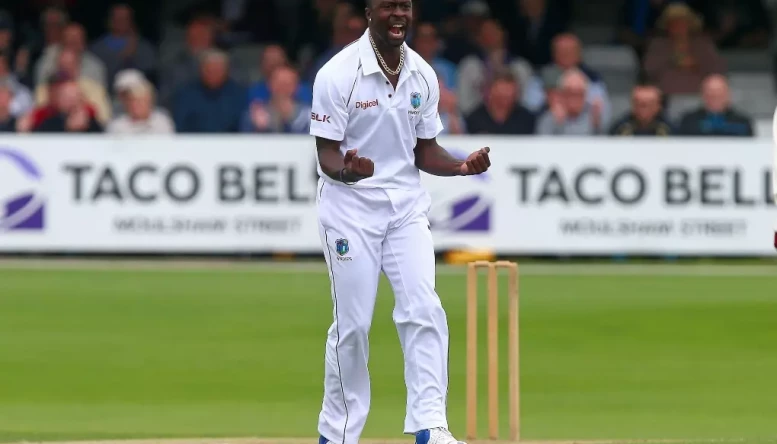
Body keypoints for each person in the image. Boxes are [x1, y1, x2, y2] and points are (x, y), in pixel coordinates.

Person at [309, 1, 491, 443]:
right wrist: (348, 170)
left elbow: (424, 150)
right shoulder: (338, 74)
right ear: (369, 10)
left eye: (405, 6)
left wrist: (461, 167)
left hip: (405, 208)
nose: (398, 14)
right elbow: (326, 154)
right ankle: (338, 433)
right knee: (352, 327)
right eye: (389, 5)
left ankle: (431, 426)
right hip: (350, 208)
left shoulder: (423, 74)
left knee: (424, 309)